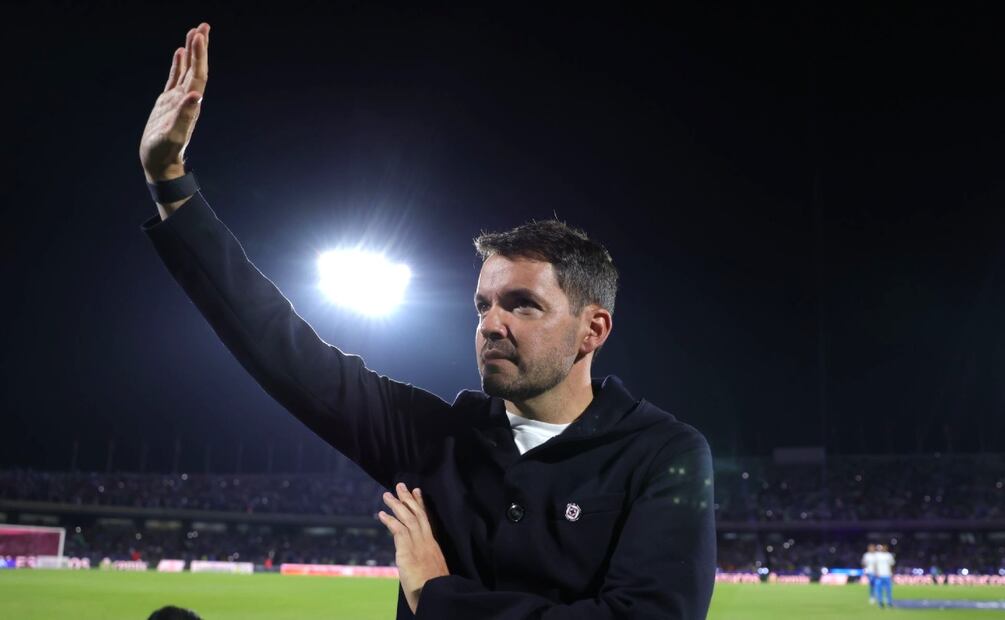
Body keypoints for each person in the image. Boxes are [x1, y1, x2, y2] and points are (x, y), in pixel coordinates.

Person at [138, 23, 716, 619]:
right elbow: (278, 346)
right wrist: (170, 183)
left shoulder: (660, 454)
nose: (492, 323)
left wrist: (438, 598)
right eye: (482, 305)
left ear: (592, 331)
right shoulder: (435, 437)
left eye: (522, 304)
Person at [873, 544, 895, 608]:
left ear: (887, 548)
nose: (884, 549)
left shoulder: (889, 555)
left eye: (885, 548)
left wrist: (891, 573)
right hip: (879, 575)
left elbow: (891, 565)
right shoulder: (877, 555)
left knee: (888, 590)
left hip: (887, 575)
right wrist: (876, 573)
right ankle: (880, 603)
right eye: (883, 547)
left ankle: (889, 603)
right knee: (879, 590)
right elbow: (875, 565)